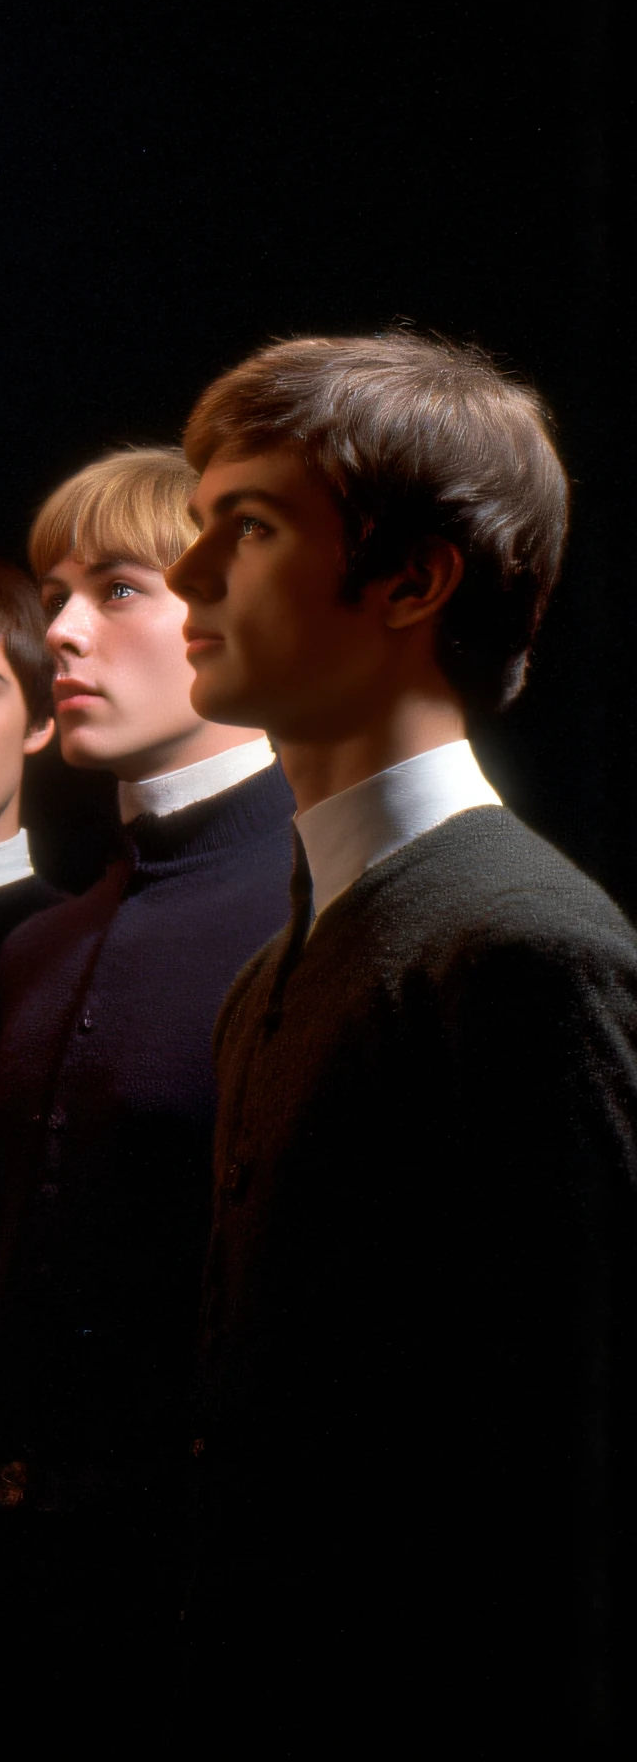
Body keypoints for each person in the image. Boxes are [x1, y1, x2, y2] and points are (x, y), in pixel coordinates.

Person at [167, 330, 636, 1752]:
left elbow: (577, 1505)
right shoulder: (269, 977)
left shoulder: (524, 952)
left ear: (414, 580)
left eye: (244, 529)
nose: (190, 578)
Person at [0, 445, 295, 1748]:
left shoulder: (328, 912)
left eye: (117, 587)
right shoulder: (37, 950)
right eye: (52, 596)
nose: (62, 634)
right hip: (20, 1647)